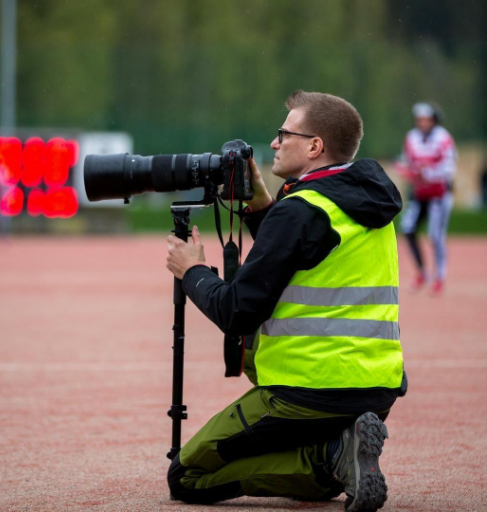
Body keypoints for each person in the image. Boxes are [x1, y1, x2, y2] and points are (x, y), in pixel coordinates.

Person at [165, 90, 405, 512]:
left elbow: (237, 312)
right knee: (259, 350)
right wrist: (261, 207)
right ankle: (341, 447)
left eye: (284, 134)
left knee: (188, 477)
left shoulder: (300, 210)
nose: (274, 144)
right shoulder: (361, 198)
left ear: (315, 146)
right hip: (375, 387)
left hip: (310, 392)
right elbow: (302, 254)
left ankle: (328, 459)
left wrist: (193, 272)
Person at [398, 102, 457, 295]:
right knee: (407, 228)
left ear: (434, 120)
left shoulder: (443, 138)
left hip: (439, 195)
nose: (422, 123)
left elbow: (449, 166)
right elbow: (406, 161)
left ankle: (439, 277)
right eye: (419, 120)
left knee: (435, 235)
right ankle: (422, 272)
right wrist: (406, 169)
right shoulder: (411, 137)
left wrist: (429, 173)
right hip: (419, 194)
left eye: (426, 119)